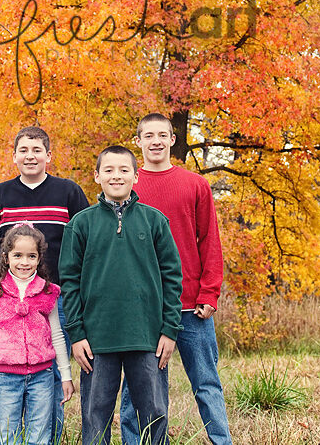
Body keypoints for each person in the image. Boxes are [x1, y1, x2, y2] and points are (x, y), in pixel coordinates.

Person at [0, 126, 89, 445]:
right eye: (23, 150)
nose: (30, 156)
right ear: (14, 156)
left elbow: (86, 245)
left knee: (50, 381)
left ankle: (46, 440)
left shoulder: (69, 192)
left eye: (37, 150)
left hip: (55, 302)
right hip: (2, 300)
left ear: (49, 156)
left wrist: (76, 295)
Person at [59, 145, 183, 445]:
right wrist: (76, 334)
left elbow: (172, 277)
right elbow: (69, 281)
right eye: (109, 170)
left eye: (124, 170)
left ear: (136, 176)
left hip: (147, 337)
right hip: (96, 339)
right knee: (95, 414)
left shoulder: (154, 221)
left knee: (154, 411)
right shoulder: (81, 224)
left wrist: (169, 329)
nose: (117, 176)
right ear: (97, 175)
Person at [120, 114, 232, 445]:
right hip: (142, 308)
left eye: (162, 135)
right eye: (148, 135)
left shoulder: (195, 184)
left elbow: (209, 241)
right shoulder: (126, 185)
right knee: (139, 389)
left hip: (190, 307)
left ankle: (221, 440)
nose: (155, 141)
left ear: (172, 140)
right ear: (138, 142)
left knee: (207, 383)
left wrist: (210, 293)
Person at [0, 223, 75, 445]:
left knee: (39, 436)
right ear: (6, 257)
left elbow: (57, 335)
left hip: (42, 377)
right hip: (6, 377)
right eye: (18, 255)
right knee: (7, 435)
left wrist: (66, 375)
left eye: (31, 256)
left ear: (39, 259)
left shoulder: (48, 291)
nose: (24, 262)